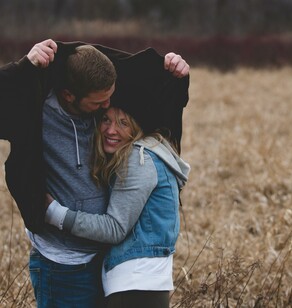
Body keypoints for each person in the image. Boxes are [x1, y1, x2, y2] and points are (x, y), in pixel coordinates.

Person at [0, 39, 190, 307]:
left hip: (105, 261)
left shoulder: (102, 103)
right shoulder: (36, 110)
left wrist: (176, 73)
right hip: (62, 264)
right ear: (69, 95)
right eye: (99, 103)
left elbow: (154, 90)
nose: (107, 106)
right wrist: (24, 67)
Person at [46, 105, 190, 307]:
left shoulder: (139, 159)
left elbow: (115, 228)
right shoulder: (153, 152)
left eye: (123, 123)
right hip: (146, 283)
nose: (111, 130)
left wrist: (54, 213)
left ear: (138, 127)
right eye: (106, 120)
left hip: (134, 284)